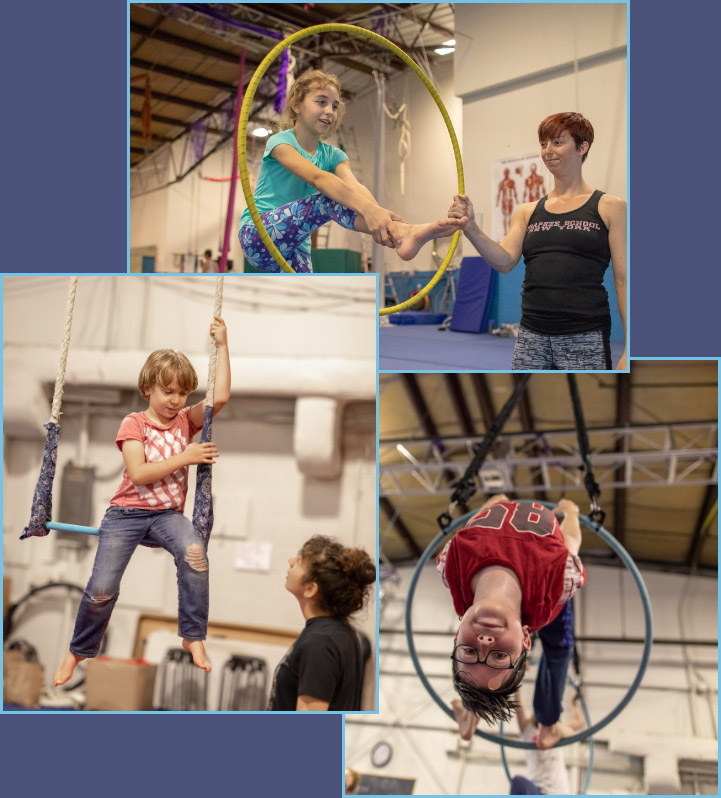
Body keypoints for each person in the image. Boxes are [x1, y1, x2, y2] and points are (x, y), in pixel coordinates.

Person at [53, 318, 231, 686]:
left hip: (167, 515)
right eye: (168, 391)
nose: (176, 400)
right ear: (148, 388)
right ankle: (77, 652)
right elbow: (139, 473)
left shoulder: (185, 421)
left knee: (195, 554)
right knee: (102, 588)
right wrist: (187, 457)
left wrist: (223, 345)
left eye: (182, 393)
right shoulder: (134, 423)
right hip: (126, 513)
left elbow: (221, 398)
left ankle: (193, 636)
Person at [448, 112, 627, 370]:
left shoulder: (610, 207)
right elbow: (505, 261)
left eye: (557, 142)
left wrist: (632, 347)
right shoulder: (527, 211)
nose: (547, 151)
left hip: (584, 335)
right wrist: (471, 228)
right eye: (543, 144)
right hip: (532, 336)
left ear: (582, 147)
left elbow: (623, 281)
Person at [238, 68, 463, 273]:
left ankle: (401, 234)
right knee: (326, 200)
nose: (330, 111)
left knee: (305, 309)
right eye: (321, 102)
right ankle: (404, 233)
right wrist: (371, 211)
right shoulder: (280, 143)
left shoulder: (334, 155)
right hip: (258, 234)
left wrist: (379, 214)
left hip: (295, 247)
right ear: (296, 105)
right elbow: (318, 178)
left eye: (335, 106)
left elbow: (354, 187)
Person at [437, 495, 586, 727]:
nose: (485, 642)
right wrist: (572, 511)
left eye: (468, 650)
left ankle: (470, 716)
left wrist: (494, 503)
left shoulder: (452, 564)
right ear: (526, 638)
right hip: (544, 598)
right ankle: (545, 723)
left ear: (457, 636)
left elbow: (472, 524)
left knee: (478, 684)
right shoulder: (561, 577)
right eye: (498, 656)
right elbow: (572, 538)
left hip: (526, 584)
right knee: (559, 647)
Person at [268, 534, 376, 711]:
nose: (291, 561)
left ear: (310, 589)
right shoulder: (340, 633)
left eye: (300, 561)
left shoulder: (320, 643)